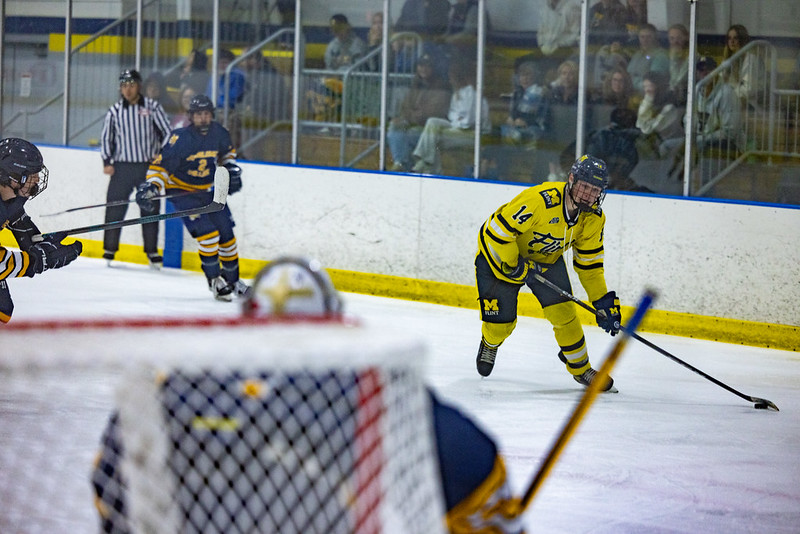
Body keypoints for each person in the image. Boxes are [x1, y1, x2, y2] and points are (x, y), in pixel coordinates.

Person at [91, 255, 525, 534]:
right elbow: (476, 469)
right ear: (334, 325)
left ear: (246, 324)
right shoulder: (382, 400)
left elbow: (110, 486)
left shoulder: (178, 391)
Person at [474, 154, 622, 392]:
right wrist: (514, 264)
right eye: (585, 186)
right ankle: (490, 342)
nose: (588, 194)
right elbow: (495, 232)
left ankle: (581, 369)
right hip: (498, 259)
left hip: (546, 260)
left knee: (565, 314)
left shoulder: (594, 218)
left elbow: (590, 264)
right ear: (571, 179)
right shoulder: (539, 201)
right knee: (501, 325)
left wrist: (601, 300)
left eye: (595, 190)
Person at [137, 94, 249, 301]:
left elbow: (227, 155)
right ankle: (214, 281)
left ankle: (233, 281)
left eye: (207, 114)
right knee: (208, 235)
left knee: (227, 236)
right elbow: (161, 166)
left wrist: (231, 170)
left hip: (208, 192)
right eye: (199, 115)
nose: (203, 118)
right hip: (182, 193)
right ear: (191, 117)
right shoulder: (180, 138)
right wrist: (152, 186)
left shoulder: (219, 133)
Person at [0, 138, 83, 323]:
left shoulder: (7, 196)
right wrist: (37, 259)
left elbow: (15, 216)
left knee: (3, 307)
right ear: (12, 175)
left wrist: (37, 242)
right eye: (31, 173)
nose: (37, 178)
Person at [100, 68, 171, 268]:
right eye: (124, 85)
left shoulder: (152, 107)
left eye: (131, 85)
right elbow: (107, 137)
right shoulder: (114, 111)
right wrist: (107, 162)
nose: (128, 89)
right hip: (122, 167)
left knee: (150, 208)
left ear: (139, 86)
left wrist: (162, 155)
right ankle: (109, 249)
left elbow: (167, 133)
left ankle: (151, 251)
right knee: (114, 207)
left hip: (148, 168)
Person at [410, 61, 491, 174]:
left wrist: (456, 122)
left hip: (473, 133)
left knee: (434, 139)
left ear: (458, 78)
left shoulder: (471, 93)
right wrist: (456, 120)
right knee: (432, 122)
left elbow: (468, 121)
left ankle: (431, 168)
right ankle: (427, 162)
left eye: (451, 77)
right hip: (456, 127)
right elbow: (451, 114)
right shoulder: (457, 93)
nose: (450, 80)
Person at [387, 53, 451, 171]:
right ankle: (401, 163)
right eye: (421, 65)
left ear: (434, 68)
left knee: (405, 135)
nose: (423, 69)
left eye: (427, 66)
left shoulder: (441, 86)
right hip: (414, 125)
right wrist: (406, 118)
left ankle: (404, 165)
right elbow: (405, 106)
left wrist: (409, 118)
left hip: (430, 133)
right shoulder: (416, 83)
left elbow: (431, 113)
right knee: (394, 127)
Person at [694, 55, 741, 154]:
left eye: (709, 69)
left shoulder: (727, 92)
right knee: (668, 146)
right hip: (701, 140)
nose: (705, 73)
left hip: (727, 146)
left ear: (716, 71)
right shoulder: (696, 91)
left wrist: (702, 138)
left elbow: (730, 133)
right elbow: (688, 119)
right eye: (701, 70)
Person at [635, 71, 683, 159]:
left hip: (670, 147)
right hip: (655, 145)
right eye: (645, 87)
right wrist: (647, 101)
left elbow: (649, 129)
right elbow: (639, 124)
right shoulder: (649, 102)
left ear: (659, 87)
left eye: (650, 86)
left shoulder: (669, 107)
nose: (647, 90)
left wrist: (648, 101)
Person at [500, 61, 550, 146]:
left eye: (528, 75)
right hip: (516, 126)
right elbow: (513, 112)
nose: (525, 79)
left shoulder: (541, 93)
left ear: (535, 77)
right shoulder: (517, 93)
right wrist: (511, 118)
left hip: (534, 127)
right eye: (522, 75)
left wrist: (526, 122)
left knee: (518, 137)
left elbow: (542, 118)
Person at [206, 49, 247, 152]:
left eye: (225, 62)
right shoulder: (215, 76)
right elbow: (208, 94)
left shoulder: (237, 76)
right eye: (220, 62)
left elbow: (231, 99)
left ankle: (228, 153)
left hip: (231, 112)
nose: (222, 65)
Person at [723, 24, 766, 103]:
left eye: (735, 38)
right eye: (729, 38)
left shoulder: (751, 58)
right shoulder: (731, 59)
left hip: (752, 105)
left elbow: (749, 91)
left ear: (743, 39)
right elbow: (722, 80)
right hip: (736, 101)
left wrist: (728, 90)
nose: (732, 41)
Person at [626, 23, 669, 92]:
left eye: (648, 37)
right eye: (642, 37)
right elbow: (628, 72)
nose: (645, 40)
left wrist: (629, 82)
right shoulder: (638, 54)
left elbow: (653, 83)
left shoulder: (660, 56)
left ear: (655, 37)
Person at [666, 23, 690, 105]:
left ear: (687, 38)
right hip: (669, 97)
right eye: (672, 38)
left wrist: (674, 60)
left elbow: (678, 79)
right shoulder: (666, 56)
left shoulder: (692, 56)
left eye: (679, 38)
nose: (675, 42)